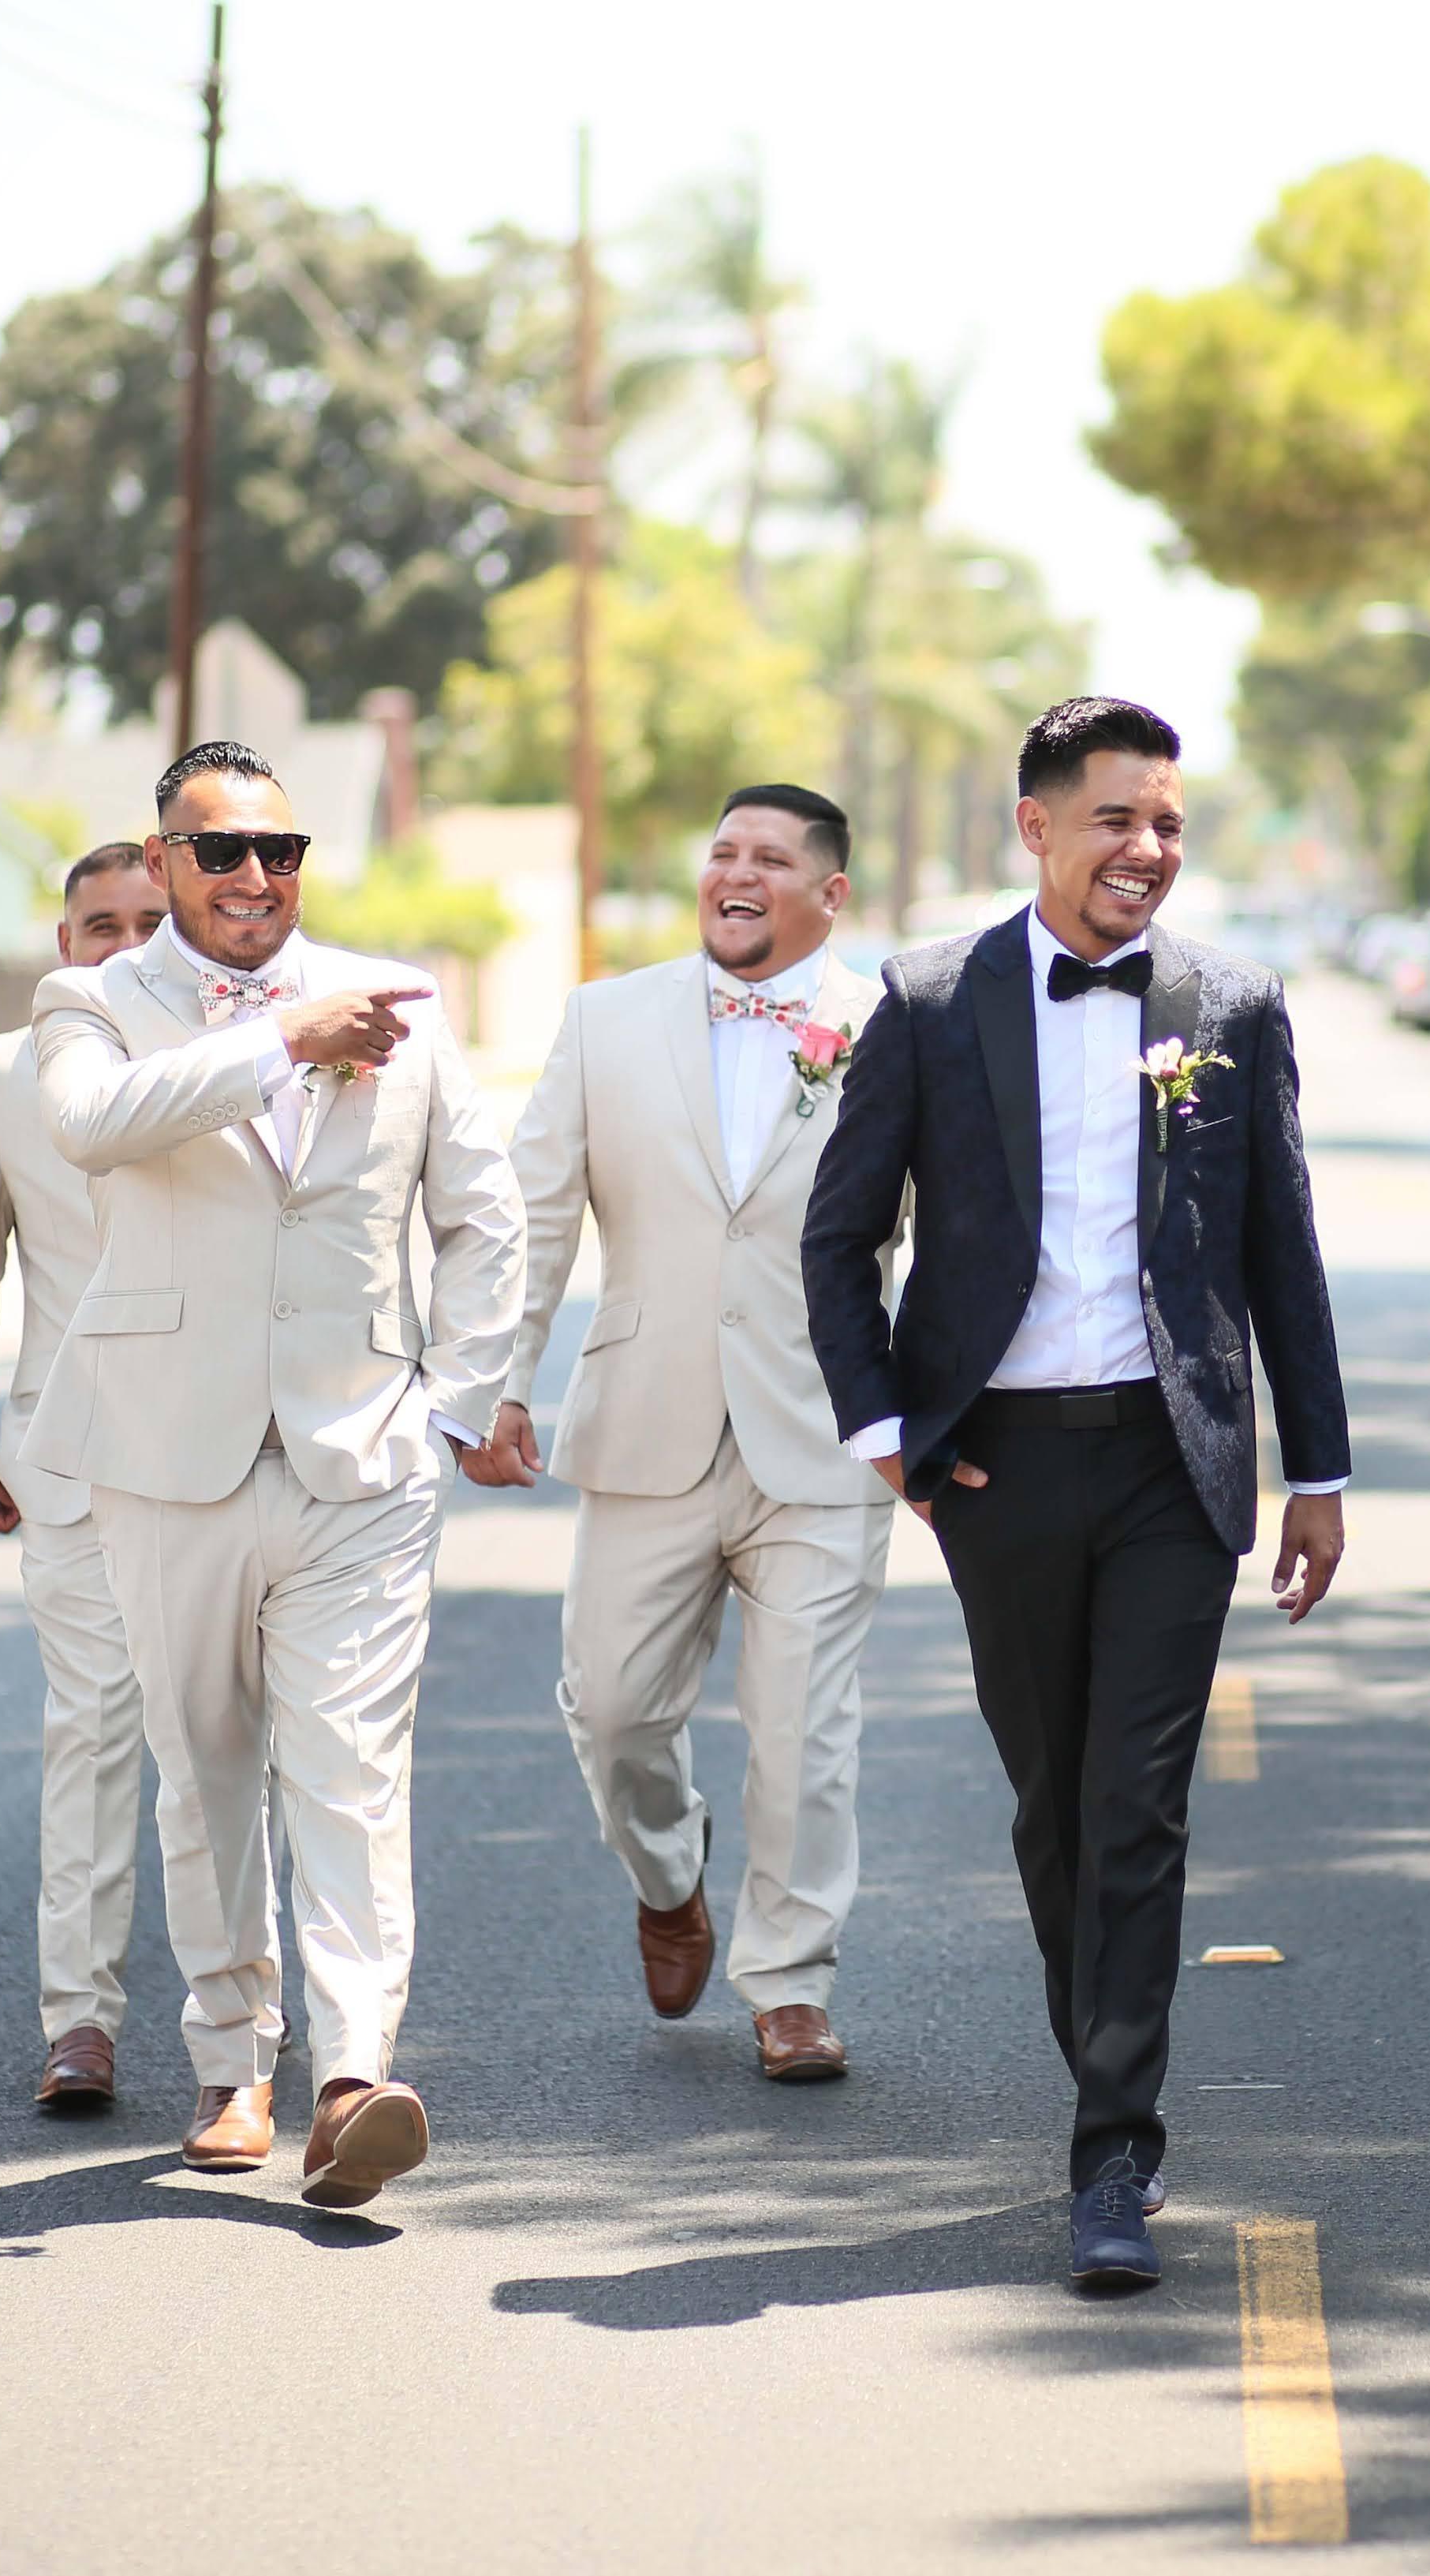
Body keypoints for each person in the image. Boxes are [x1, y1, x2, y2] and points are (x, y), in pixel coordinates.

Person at [802, 696, 1350, 2292]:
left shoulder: (1231, 1004)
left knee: (1135, 1806)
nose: (1147, 849)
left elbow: (1280, 1250)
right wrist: (889, 1433)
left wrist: (1315, 1468)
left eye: (1167, 822)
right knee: (1052, 1804)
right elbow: (840, 1237)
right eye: (1116, 818)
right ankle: (1105, 2060)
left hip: (1174, 1458)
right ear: (1035, 825)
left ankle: (1112, 2146)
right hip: (999, 1462)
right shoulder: (926, 999)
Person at [22, 739, 523, 2209]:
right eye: (222, 851)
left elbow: (483, 1213)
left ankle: (354, 2074)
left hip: (361, 1452)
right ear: (163, 863)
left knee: (352, 1770)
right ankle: (232, 2054)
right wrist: (285, 1040)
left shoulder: (400, 1002)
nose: (255, 875)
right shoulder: (88, 1001)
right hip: (160, 1449)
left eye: (281, 850)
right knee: (204, 1766)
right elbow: (92, 1126)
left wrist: (455, 1400)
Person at [472, 784, 890, 2082]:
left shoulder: (897, 1024)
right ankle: (668, 1875)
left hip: (826, 1432)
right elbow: (535, 1213)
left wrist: (927, 1410)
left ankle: (791, 1984)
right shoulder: (604, 1020)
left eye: (770, 857)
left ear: (829, 894)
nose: (735, 872)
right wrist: (498, 1380)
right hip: (644, 1418)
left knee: (804, 1730)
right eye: (722, 852)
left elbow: (948, 1228)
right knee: (610, 1710)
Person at [0, 843, 191, 2113]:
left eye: (148, 922)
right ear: (64, 943)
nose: (124, 945)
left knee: (227, 1736)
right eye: (100, 925)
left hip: (231, 1453)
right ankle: (78, 2019)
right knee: (88, 1730)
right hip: (66, 1455)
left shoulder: (236, 1051)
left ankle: (245, 2004)